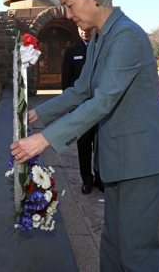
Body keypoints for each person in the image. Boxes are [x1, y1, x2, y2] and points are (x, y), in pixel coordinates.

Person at [10, 0, 159, 272]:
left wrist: (44, 140)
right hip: (121, 160)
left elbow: (102, 101)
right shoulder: (101, 37)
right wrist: (36, 114)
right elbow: (80, 90)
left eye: (70, 5)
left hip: (144, 162)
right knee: (113, 247)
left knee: (137, 256)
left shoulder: (126, 35)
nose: (70, 15)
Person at [61, 26, 103, 194]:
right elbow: (66, 81)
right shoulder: (72, 51)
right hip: (82, 108)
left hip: (100, 106)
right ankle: (87, 180)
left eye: (87, 29)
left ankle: (101, 179)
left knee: (100, 146)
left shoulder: (102, 48)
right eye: (81, 29)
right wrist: (71, 107)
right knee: (84, 146)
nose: (84, 32)